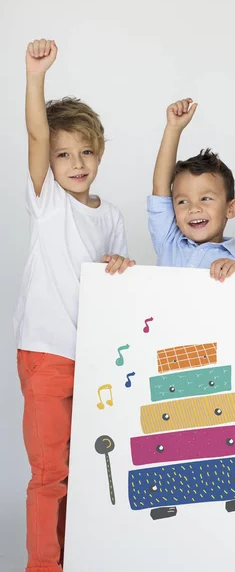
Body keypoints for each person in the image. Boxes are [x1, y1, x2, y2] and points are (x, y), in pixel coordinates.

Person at [15, 38, 133, 572]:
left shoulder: (110, 216)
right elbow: (37, 132)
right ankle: (44, 565)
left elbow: (118, 286)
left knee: (83, 471)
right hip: (44, 354)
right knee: (49, 474)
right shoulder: (47, 202)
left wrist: (120, 269)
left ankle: (74, 558)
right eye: (64, 154)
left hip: (90, 363)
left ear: (100, 153)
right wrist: (35, 76)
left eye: (86, 151)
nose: (76, 162)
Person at [148, 98, 235, 279]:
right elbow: (160, 187)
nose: (194, 208)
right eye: (182, 201)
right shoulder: (169, 242)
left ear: (231, 208)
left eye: (205, 198)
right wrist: (173, 129)